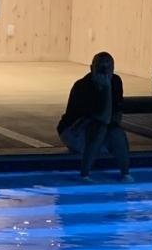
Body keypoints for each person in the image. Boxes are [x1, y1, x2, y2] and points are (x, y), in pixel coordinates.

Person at [56, 51, 133, 180]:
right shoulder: (82, 86)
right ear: (92, 68)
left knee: (116, 132)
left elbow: (116, 117)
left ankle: (126, 174)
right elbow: (104, 118)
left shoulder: (116, 81)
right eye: (100, 68)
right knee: (100, 129)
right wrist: (107, 89)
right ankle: (84, 175)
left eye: (108, 69)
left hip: (95, 129)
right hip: (74, 131)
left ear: (113, 70)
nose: (104, 73)